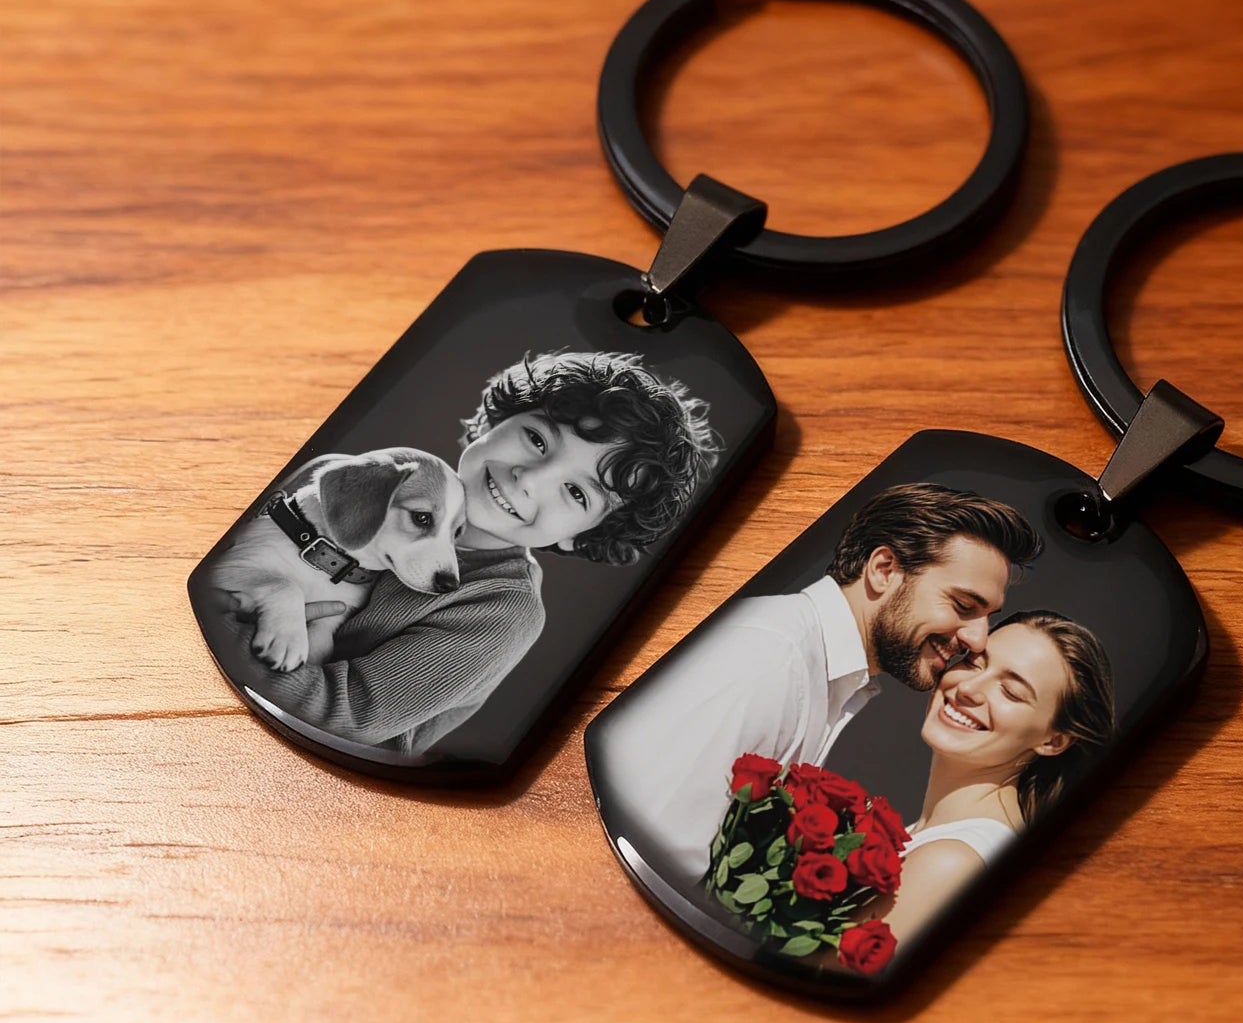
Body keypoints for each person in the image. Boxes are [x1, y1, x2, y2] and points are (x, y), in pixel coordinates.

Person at [216, 349, 719, 753]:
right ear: (492, 424)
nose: (529, 478)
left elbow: (342, 717)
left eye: (576, 492)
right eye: (537, 440)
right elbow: (220, 556)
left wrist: (225, 622)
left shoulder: (501, 608)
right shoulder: (344, 478)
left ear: (580, 536)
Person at [593, 483, 1042, 881]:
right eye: (964, 606)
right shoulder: (772, 657)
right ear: (884, 569)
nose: (977, 639)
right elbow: (657, 855)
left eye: (987, 617)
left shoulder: (822, 671)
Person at [882, 610, 1115, 946]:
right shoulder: (938, 840)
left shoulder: (952, 862)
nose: (969, 688)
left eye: (1011, 692)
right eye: (974, 663)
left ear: (1053, 741)